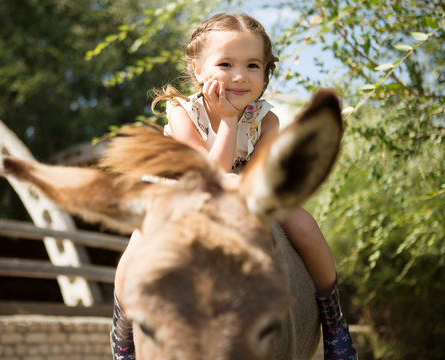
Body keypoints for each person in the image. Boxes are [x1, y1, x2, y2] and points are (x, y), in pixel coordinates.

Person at [111, 12, 357, 360]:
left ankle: (334, 321)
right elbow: (208, 177)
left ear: (266, 72)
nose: (240, 76)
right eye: (225, 63)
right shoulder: (181, 112)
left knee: (303, 223)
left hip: (243, 195)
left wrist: (241, 175)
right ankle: (124, 330)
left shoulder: (266, 119)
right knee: (138, 246)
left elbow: (256, 177)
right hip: (185, 192)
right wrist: (227, 119)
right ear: (197, 69)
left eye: (253, 65)